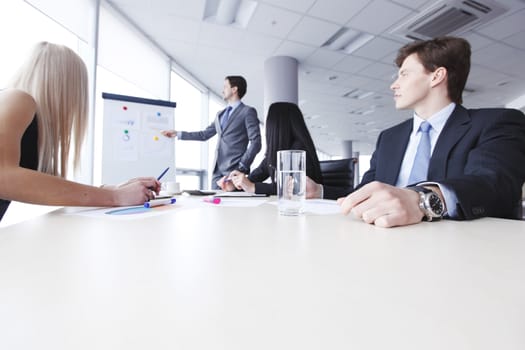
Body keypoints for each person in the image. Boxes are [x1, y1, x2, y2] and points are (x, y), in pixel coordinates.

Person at [337, 36, 525, 228]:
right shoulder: (389, 137)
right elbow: (363, 190)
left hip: (461, 244)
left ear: (436, 76)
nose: (394, 85)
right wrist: (317, 192)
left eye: (405, 74)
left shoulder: (497, 122)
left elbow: (492, 183)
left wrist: (421, 200)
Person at [0, 42, 161, 222]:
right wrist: (115, 197)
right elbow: (3, 176)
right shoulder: (17, 99)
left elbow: (40, 186)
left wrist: (111, 191)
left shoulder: (29, 121)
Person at [161, 76, 261, 189]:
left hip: (235, 171)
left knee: (233, 205)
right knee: (215, 205)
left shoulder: (247, 112)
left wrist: (242, 165)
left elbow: (256, 142)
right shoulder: (220, 114)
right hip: (216, 172)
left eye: (225, 87)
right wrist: (178, 134)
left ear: (234, 89)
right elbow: (204, 134)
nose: (222, 90)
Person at [217, 102, 324, 197]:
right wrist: (236, 184)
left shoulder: (299, 150)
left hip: (306, 209)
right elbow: (255, 176)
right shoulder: (275, 153)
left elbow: (292, 187)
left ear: (274, 126)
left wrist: (253, 187)